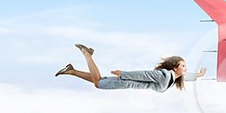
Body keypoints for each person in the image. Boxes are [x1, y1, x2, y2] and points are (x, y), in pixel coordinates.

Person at [55, 44, 206, 92]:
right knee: (97, 83)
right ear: (175, 67)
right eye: (183, 66)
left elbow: (188, 76)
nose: (186, 68)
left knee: (99, 80)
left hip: (126, 82)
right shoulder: (165, 76)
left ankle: (71, 70)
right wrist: (124, 74)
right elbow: (144, 75)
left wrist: (199, 75)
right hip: (125, 82)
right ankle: (87, 54)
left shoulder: (174, 77)